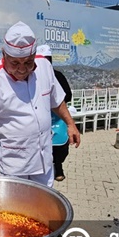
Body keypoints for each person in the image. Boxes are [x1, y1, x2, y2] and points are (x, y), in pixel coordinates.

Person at [0, 22, 81, 194]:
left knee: (43, 209)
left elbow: (56, 100)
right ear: (4, 55)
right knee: (17, 214)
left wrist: (70, 123)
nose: (22, 69)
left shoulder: (44, 67)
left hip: (44, 159)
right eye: (15, 63)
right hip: (15, 166)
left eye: (28, 62)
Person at [37, 44, 72, 182]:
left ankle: (58, 167)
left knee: (59, 143)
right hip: (40, 118)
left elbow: (68, 95)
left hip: (57, 118)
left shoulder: (57, 75)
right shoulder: (32, 78)